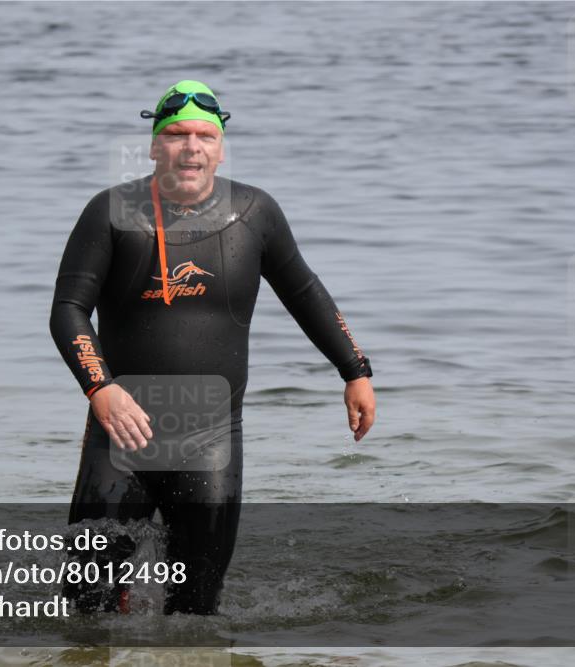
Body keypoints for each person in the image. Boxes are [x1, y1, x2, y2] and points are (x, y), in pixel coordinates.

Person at [49, 80, 376, 615]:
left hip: (212, 438)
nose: (191, 146)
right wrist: (100, 388)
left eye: (204, 135)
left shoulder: (253, 214)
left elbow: (305, 292)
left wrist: (354, 369)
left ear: (220, 148)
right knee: (87, 604)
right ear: (154, 145)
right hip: (121, 431)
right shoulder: (111, 212)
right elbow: (69, 310)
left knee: (196, 612)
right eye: (176, 134)